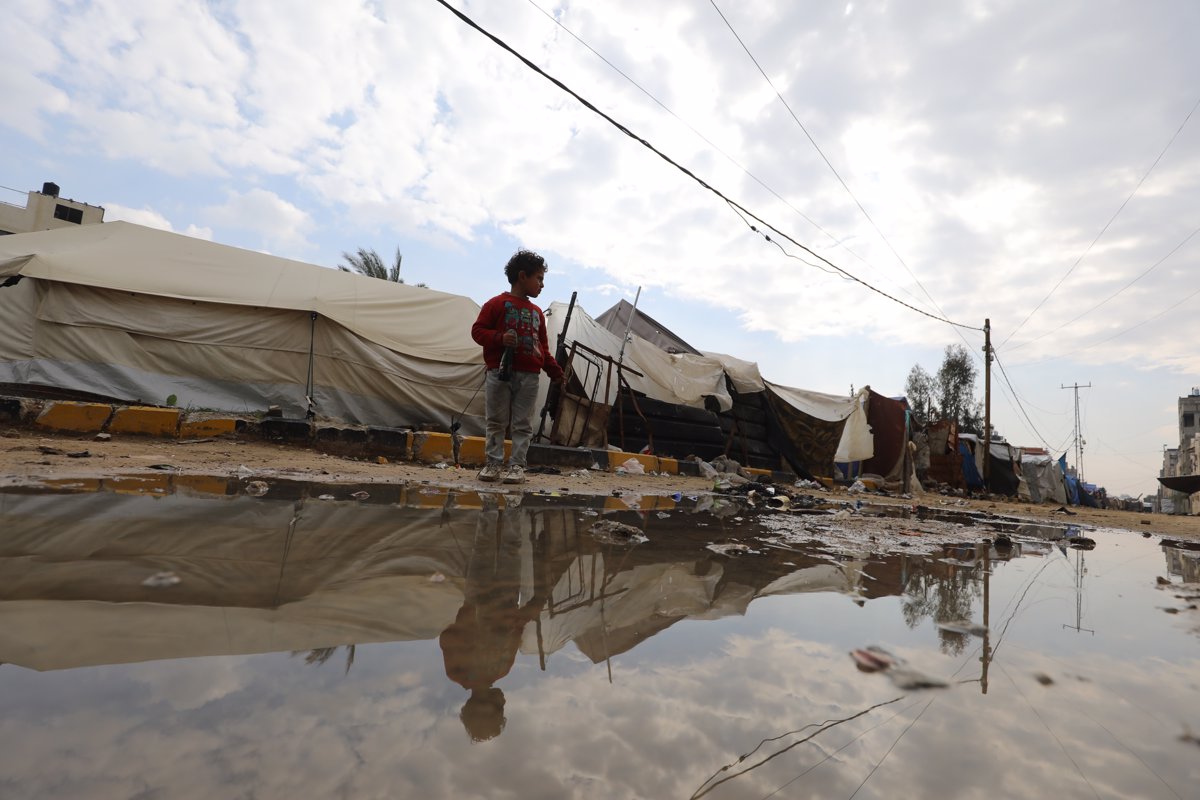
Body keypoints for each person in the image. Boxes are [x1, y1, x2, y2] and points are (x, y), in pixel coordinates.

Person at [470, 249, 564, 484]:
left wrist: (555, 371)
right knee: (496, 420)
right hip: (499, 373)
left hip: (530, 376)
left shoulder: (537, 314)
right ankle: (493, 464)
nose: (542, 285)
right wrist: (500, 338)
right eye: (539, 278)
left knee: (523, 423)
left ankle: (516, 467)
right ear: (523, 276)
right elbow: (478, 331)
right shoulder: (496, 304)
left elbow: (542, 347)